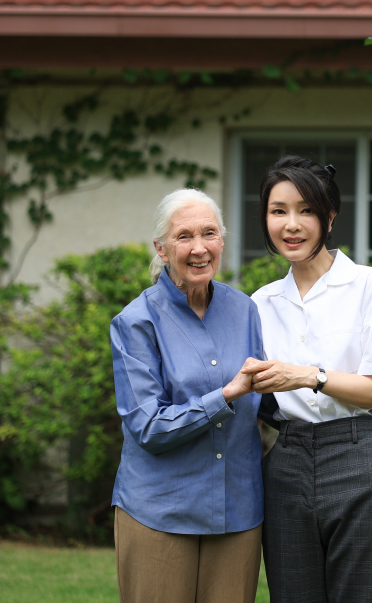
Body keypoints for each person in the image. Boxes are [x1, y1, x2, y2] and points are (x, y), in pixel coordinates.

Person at [244, 155, 372, 603]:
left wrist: (309, 376)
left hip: (361, 456)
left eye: (306, 210)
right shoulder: (259, 304)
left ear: (330, 217)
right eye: (278, 211)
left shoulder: (369, 286)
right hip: (287, 462)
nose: (291, 225)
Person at [109, 188, 266, 603]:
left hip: (237, 510)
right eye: (184, 236)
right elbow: (148, 426)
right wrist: (225, 395)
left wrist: (340, 394)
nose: (199, 248)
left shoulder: (245, 310)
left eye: (209, 233)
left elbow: (264, 396)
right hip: (160, 512)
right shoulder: (135, 322)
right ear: (161, 249)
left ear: (222, 242)